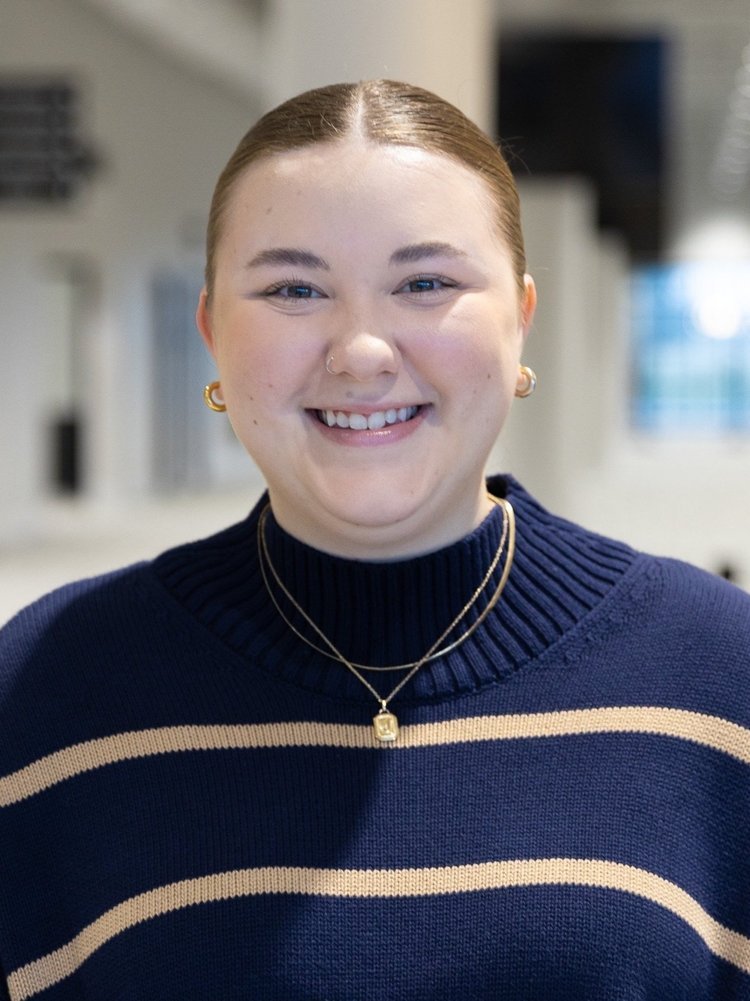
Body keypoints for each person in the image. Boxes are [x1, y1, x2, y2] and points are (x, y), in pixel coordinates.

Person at [1, 79, 749, 1001]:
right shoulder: (47, 686)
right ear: (212, 332)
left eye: (425, 283)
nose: (361, 352)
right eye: (294, 288)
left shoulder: (719, 673)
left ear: (521, 319)